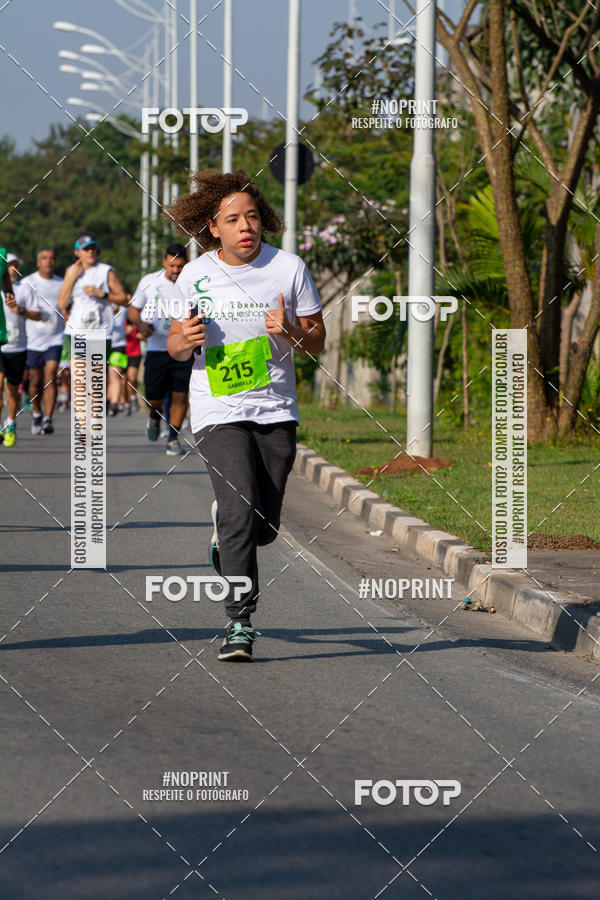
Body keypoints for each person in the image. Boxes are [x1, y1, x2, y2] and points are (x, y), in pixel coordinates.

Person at [166, 170, 326, 661]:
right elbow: (174, 345)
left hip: (275, 408)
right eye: (233, 219)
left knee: (264, 528)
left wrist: (291, 331)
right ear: (213, 228)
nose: (245, 226)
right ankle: (240, 622)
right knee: (239, 511)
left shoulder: (289, 268)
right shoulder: (195, 275)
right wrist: (183, 341)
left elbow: (318, 339)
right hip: (217, 410)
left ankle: (228, 528)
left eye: (252, 216)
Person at [128, 243, 191, 455]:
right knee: (154, 397)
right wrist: (140, 325)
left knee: (180, 395)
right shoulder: (149, 281)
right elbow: (133, 310)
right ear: (164, 262)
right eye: (172, 265)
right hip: (156, 349)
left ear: (186, 264)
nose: (176, 270)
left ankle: (173, 438)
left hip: (182, 349)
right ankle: (154, 415)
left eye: (180, 266)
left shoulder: (191, 282)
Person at [57, 234, 127, 354]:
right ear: (77, 252)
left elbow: (124, 300)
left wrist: (101, 293)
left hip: (99, 332)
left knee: (95, 368)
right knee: (78, 367)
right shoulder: (71, 270)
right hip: (75, 331)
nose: (90, 252)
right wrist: (72, 277)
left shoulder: (106, 271)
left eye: (93, 248)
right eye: (86, 249)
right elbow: (62, 303)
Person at [0, 254, 41, 447]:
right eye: (10, 265)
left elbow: (38, 315)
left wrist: (21, 311)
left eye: (16, 265)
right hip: (1, 344)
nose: (13, 268)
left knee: (12, 391)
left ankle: (10, 424)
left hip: (17, 345)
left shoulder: (24, 289)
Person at [22, 248, 64, 435]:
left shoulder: (62, 283)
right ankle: (37, 412)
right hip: (33, 340)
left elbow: (69, 306)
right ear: (38, 262)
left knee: (51, 376)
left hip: (55, 337)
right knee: (35, 380)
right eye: (45, 258)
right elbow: (20, 308)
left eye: (52, 258)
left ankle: (48, 418)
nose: (48, 261)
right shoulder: (28, 282)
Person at [107, 304, 128, 416]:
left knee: (114, 373)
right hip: (101, 343)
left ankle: (114, 403)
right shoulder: (99, 303)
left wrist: (131, 326)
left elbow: (133, 317)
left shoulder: (124, 307)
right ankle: (106, 401)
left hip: (118, 345)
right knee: (102, 376)